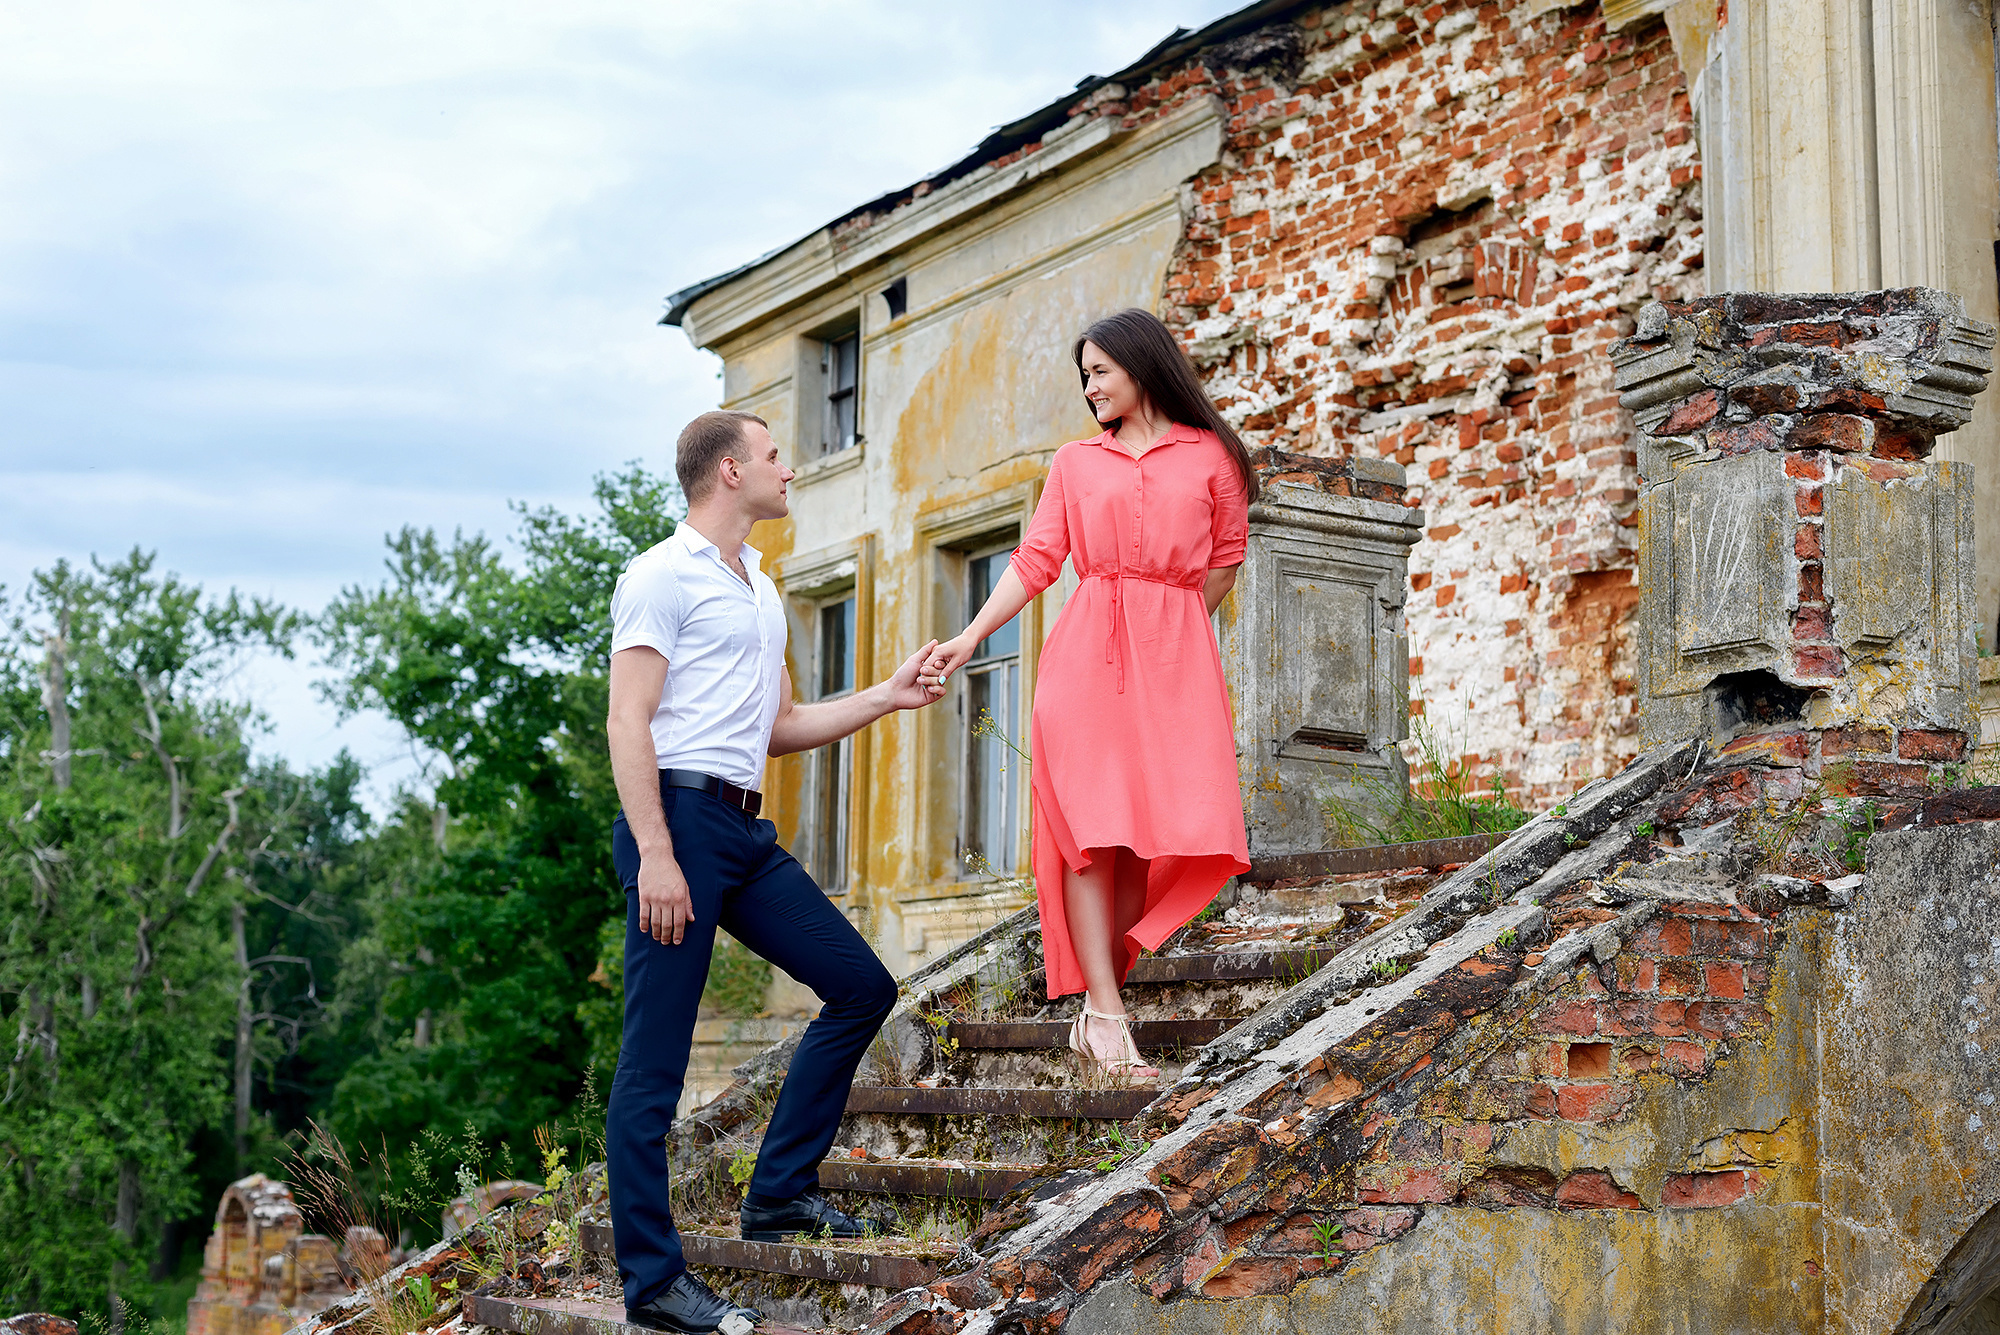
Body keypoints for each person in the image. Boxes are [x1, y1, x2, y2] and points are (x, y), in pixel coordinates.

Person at [604, 409, 946, 1334]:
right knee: (655, 1066)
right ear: (727, 470)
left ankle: (780, 1192)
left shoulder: (759, 585)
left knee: (859, 984)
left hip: (742, 828)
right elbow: (628, 720)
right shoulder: (658, 574)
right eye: (772, 455)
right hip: (674, 823)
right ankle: (654, 1284)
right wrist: (658, 857)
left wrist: (888, 693)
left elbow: (777, 730)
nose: (787, 469)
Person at [924, 308, 1256, 1081]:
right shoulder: (1075, 463)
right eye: (1085, 375)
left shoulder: (1213, 458)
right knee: (1088, 831)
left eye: (1100, 369)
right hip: (1082, 662)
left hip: (1172, 666)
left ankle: (1102, 1002)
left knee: (1160, 829)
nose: (1090, 385)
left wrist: (1165, 634)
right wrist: (971, 637)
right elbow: (1036, 561)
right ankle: (1105, 1018)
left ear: (1142, 365)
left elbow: (1225, 563)